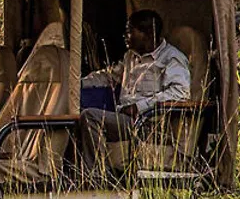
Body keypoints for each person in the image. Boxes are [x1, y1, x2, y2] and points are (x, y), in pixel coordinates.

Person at [80, 9, 191, 146]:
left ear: (149, 34)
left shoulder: (171, 58)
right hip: (124, 119)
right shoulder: (130, 56)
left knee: (90, 116)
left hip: (147, 123)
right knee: (78, 114)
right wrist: (77, 84)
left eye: (130, 31)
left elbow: (180, 93)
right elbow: (109, 76)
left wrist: (140, 107)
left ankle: (94, 168)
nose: (125, 36)